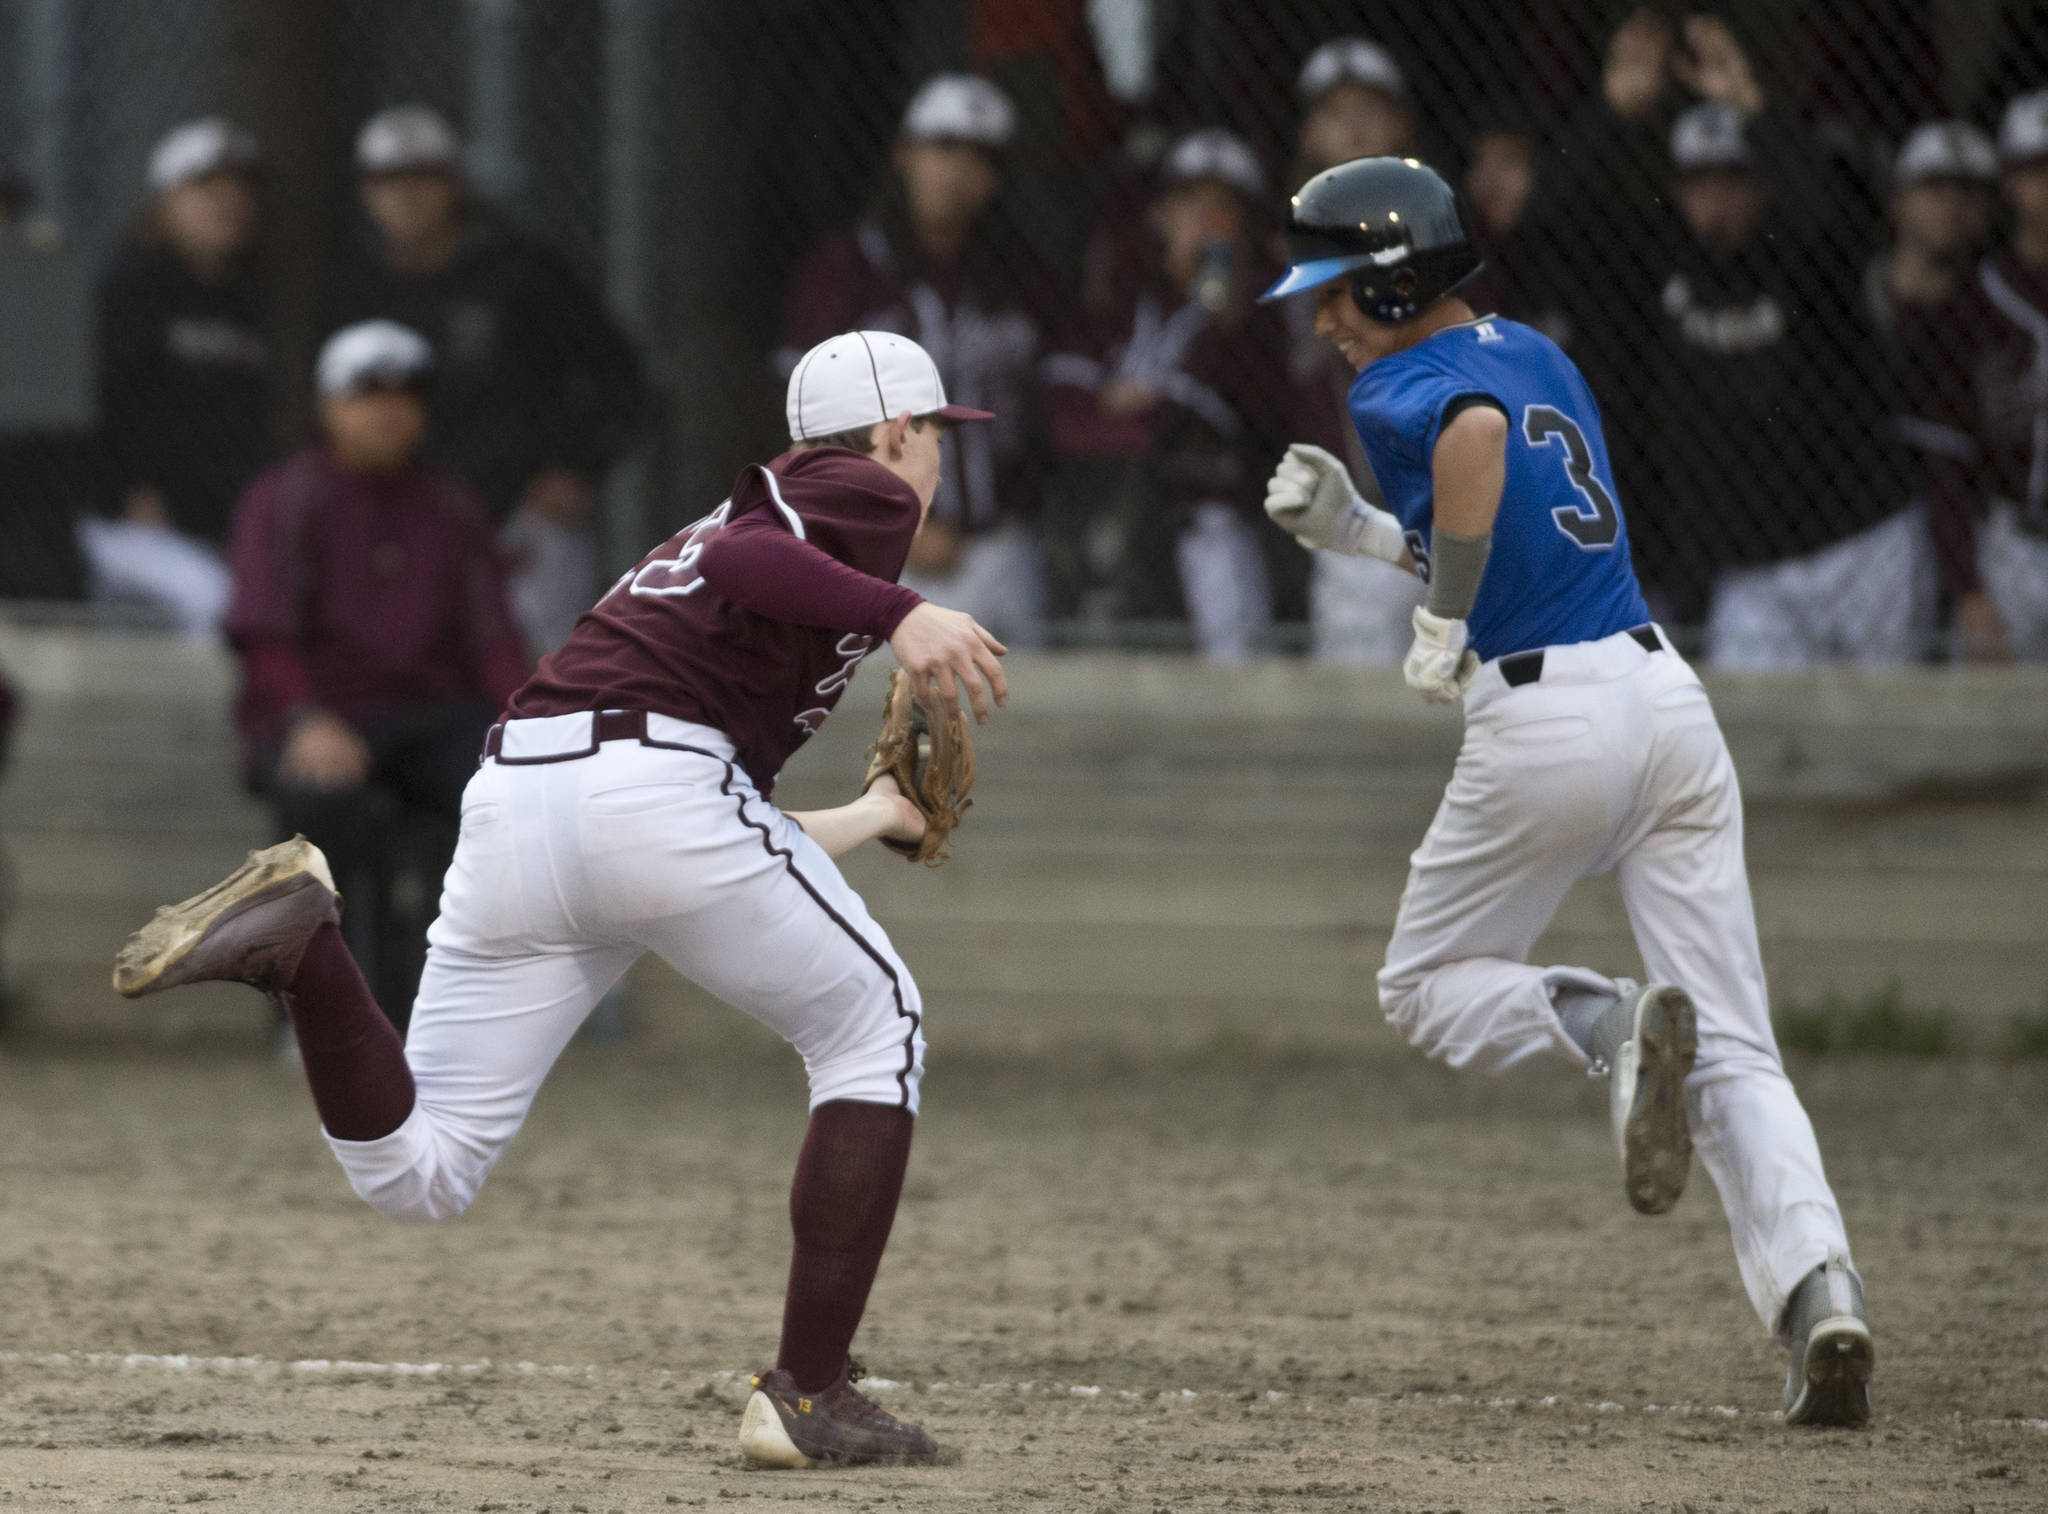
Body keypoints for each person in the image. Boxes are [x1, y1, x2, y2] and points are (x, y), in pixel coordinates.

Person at [117, 329, 1009, 1467]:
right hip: (647, 791)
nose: (936, 460)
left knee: (419, 1172)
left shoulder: (757, 515)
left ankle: (306, 950)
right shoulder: (854, 487)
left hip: (524, 794)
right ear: (894, 431)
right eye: (935, 435)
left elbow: (706, 846)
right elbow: (740, 589)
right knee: (874, 1025)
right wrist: (901, 614)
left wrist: (877, 814)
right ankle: (811, 1390)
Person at [1257, 156, 1872, 1426]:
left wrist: (1434, 615)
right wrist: (1362, 533)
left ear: (1395, 280)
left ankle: (1601, 1023)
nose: (1319, 317)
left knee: (1422, 986)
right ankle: (1820, 1294)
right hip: (1663, 699)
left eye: (1332, 290)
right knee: (1738, 1044)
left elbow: (1473, 454)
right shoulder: (1534, 348)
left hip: (1545, 719)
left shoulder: (1389, 384)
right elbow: (1505, 503)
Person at [223, 321, 529, 1026]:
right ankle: (315, 1018)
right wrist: (306, 719)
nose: (387, 410)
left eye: (405, 394)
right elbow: (262, 634)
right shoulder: (286, 499)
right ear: (329, 407)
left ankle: (454, 1014)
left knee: (503, 798)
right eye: (366, 394)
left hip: (432, 713)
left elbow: (493, 637)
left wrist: (523, 727)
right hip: (318, 714)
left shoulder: (453, 507)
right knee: (320, 807)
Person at [335, 105, 650, 656]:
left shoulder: (518, 272)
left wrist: (578, 467)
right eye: (388, 180)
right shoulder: (356, 289)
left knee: (548, 674)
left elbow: (621, 380)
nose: (406, 195)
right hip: (401, 515)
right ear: (365, 194)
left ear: (453, 184)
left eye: (422, 177)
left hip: (520, 513)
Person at [779, 75, 1050, 647]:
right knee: (889, 726)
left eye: (980, 158)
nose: (956, 172)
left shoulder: (1021, 278)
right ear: (906, 154)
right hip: (883, 549)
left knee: (1025, 724)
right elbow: (802, 421)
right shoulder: (845, 273)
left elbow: (1048, 412)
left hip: (1005, 543)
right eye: (942, 148)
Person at [1648, 101, 1925, 661]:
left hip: (1863, 542)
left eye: (1734, 179)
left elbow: (1836, 219)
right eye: (1699, 182)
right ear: (1676, 192)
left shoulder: (1807, 256)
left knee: (1896, 735)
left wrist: (1757, 112)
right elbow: (1557, 227)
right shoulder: (1658, 268)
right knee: (1756, 739)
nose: (1717, 199)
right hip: (1753, 569)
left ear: (1764, 183)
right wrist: (1616, 116)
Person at [1043, 128, 1294, 658]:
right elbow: (1058, 398)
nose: (1205, 217)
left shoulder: (1257, 319)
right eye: (1189, 201)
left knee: (1231, 677)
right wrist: (1143, 413)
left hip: (1207, 523)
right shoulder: (1124, 300)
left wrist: (1123, 405)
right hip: (1109, 517)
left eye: (1224, 205)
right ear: (1160, 215)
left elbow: (1207, 419)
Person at [84, 117, 273, 636]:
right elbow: (96, 407)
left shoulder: (247, 298)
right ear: (165, 201)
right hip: (129, 523)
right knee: (220, 606)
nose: (226, 201)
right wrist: (127, 488)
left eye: (238, 188)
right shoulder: (129, 290)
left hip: (221, 526)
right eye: (205, 187)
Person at [1281, 37, 1426, 663]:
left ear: (1401, 127)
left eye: (1370, 107)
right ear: (1309, 132)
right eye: (1335, 111)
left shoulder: (1444, 244)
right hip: (1349, 531)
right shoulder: (1278, 260)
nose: (1355, 124)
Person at [1898, 90, 2048, 662]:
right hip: (2011, 554)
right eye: (2035, 169)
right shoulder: (1969, 307)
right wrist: (1969, 592)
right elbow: (1946, 466)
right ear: (2009, 183)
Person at [1865, 122, 2007, 660]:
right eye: (1933, 186)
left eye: (1968, 190)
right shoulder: (1853, 295)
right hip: (1866, 516)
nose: (1951, 203)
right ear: (1898, 202)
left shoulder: (1989, 311)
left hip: (1965, 518)